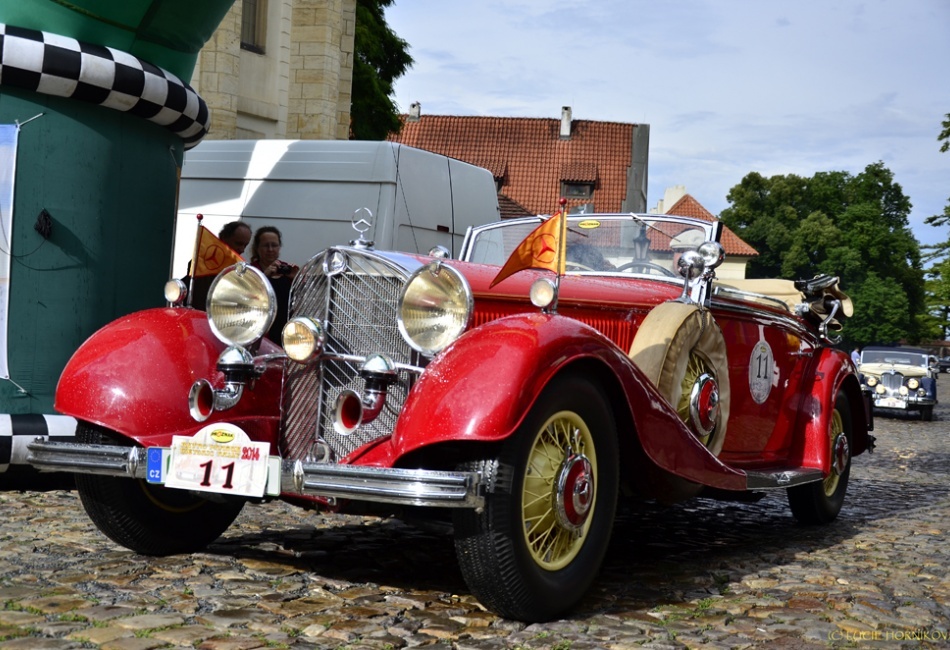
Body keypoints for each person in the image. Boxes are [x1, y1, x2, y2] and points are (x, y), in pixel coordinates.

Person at [185, 221, 252, 310]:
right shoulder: (200, 264)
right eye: (238, 243)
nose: (242, 249)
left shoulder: (241, 269)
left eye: (245, 245)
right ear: (224, 239)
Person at [250, 226, 299, 342]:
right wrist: (264, 276)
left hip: (286, 332)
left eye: (274, 245)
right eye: (266, 245)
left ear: (279, 247)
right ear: (257, 248)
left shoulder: (287, 269)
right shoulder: (251, 271)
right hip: (258, 330)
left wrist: (298, 279)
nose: (270, 249)